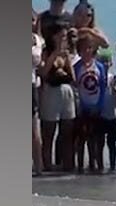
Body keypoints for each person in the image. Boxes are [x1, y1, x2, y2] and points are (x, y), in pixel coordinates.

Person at [39, 29, 78, 172]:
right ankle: (46, 165)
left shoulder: (66, 53)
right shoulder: (46, 52)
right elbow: (43, 73)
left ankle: (67, 164)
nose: (63, 39)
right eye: (60, 36)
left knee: (67, 130)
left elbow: (72, 77)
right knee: (48, 131)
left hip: (66, 91)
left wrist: (66, 60)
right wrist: (54, 54)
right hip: (51, 91)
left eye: (65, 36)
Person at [73, 39, 108, 173]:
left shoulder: (99, 66)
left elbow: (103, 87)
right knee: (82, 138)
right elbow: (76, 87)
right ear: (79, 52)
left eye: (89, 48)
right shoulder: (77, 67)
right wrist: (82, 105)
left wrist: (99, 105)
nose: (87, 51)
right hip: (83, 107)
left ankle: (97, 165)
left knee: (97, 139)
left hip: (97, 106)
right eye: (83, 49)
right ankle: (81, 166)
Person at [98, 49, 116, 172]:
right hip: (100, 116)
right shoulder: (97, 77)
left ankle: (112, 167)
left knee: (112, 144)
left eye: (108, 61)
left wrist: (114, 88)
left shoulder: (114, 78)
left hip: (113, 116)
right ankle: (100, 167)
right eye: (102, 61)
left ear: (111, 63)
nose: (106, 64)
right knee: (99, 143)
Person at [32, 11, 46, 176]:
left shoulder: (38, 41)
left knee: (34, 130)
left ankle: (38, 167)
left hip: (32, 85)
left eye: (33, 20)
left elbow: (37, 61)